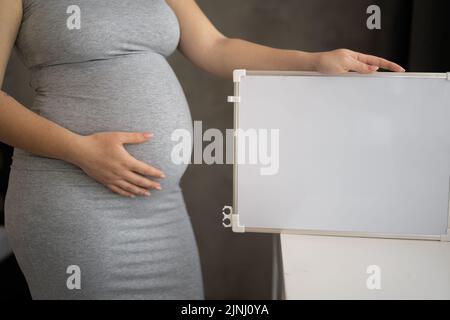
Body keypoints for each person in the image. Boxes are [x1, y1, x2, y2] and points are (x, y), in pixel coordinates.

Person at [0, 0, 405, 299]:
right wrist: (81, 152)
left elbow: (214, 46)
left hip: (159, 204)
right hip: (72, 197)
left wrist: (313, 62)